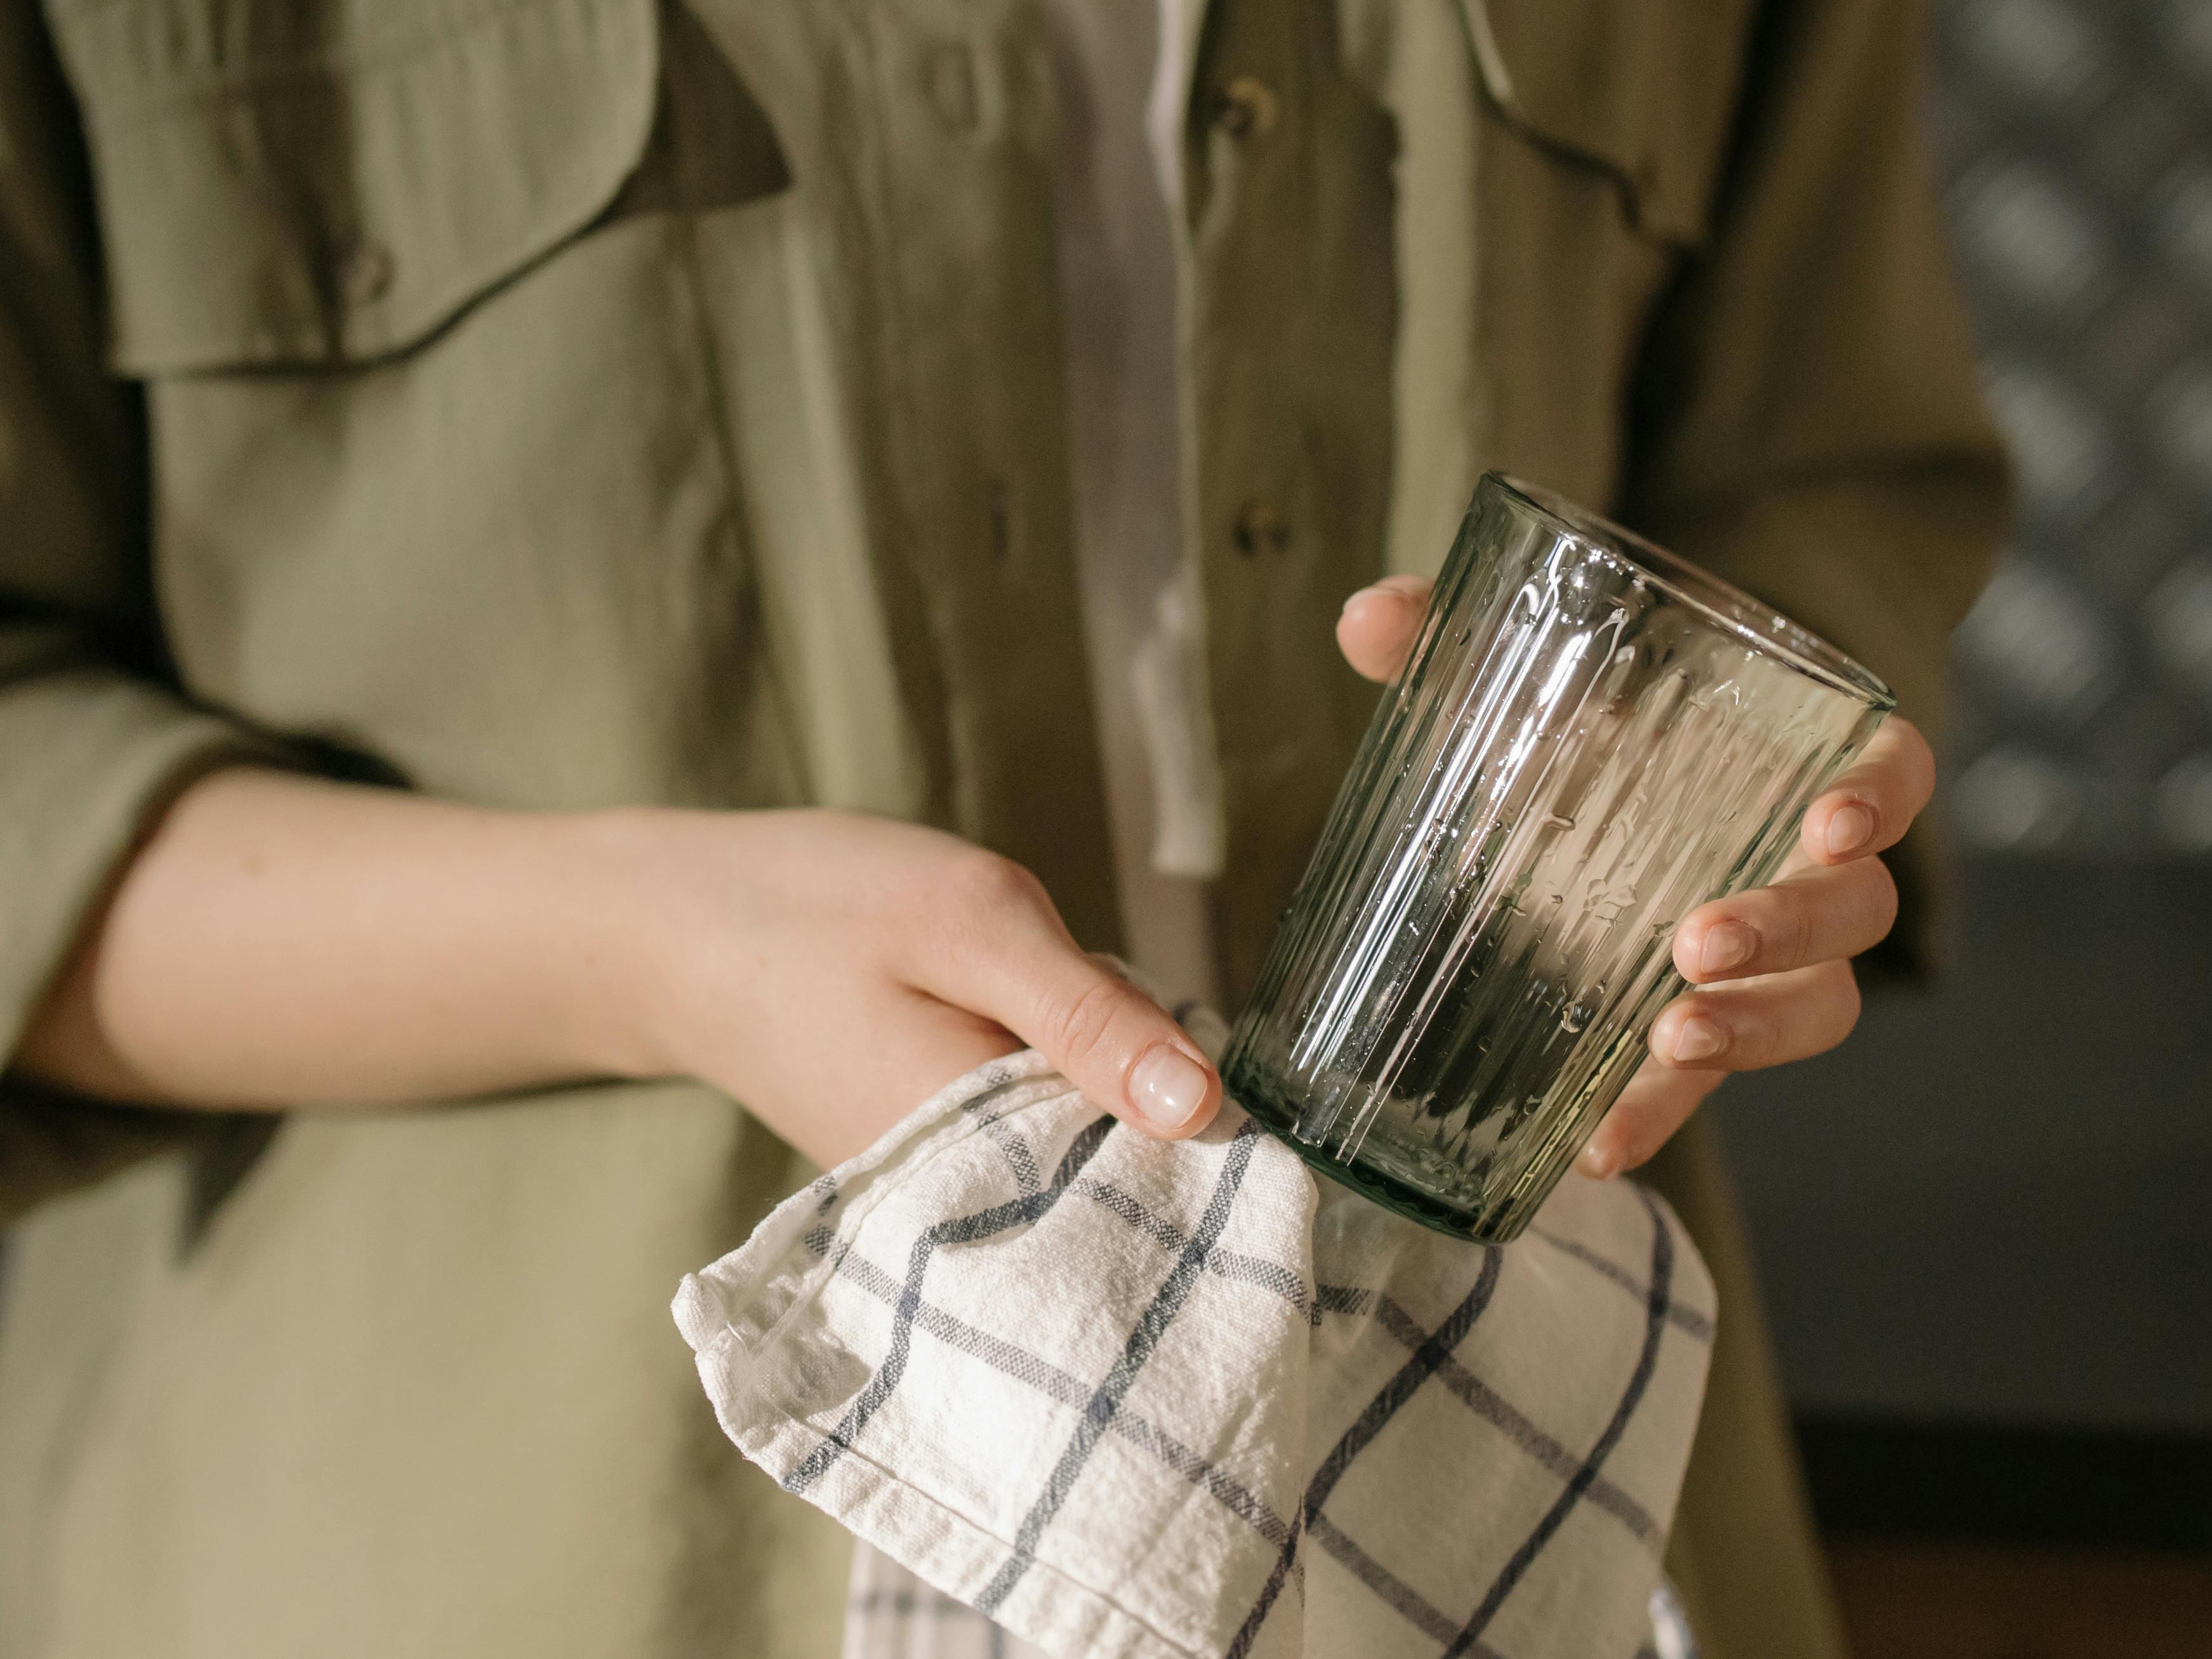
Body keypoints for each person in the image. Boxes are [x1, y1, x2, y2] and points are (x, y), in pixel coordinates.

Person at [0, 1, 2004, 1656]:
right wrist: (662, 945)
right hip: (494, 1533)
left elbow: (1829, 484)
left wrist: (1734, 832)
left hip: (1520, 1493)